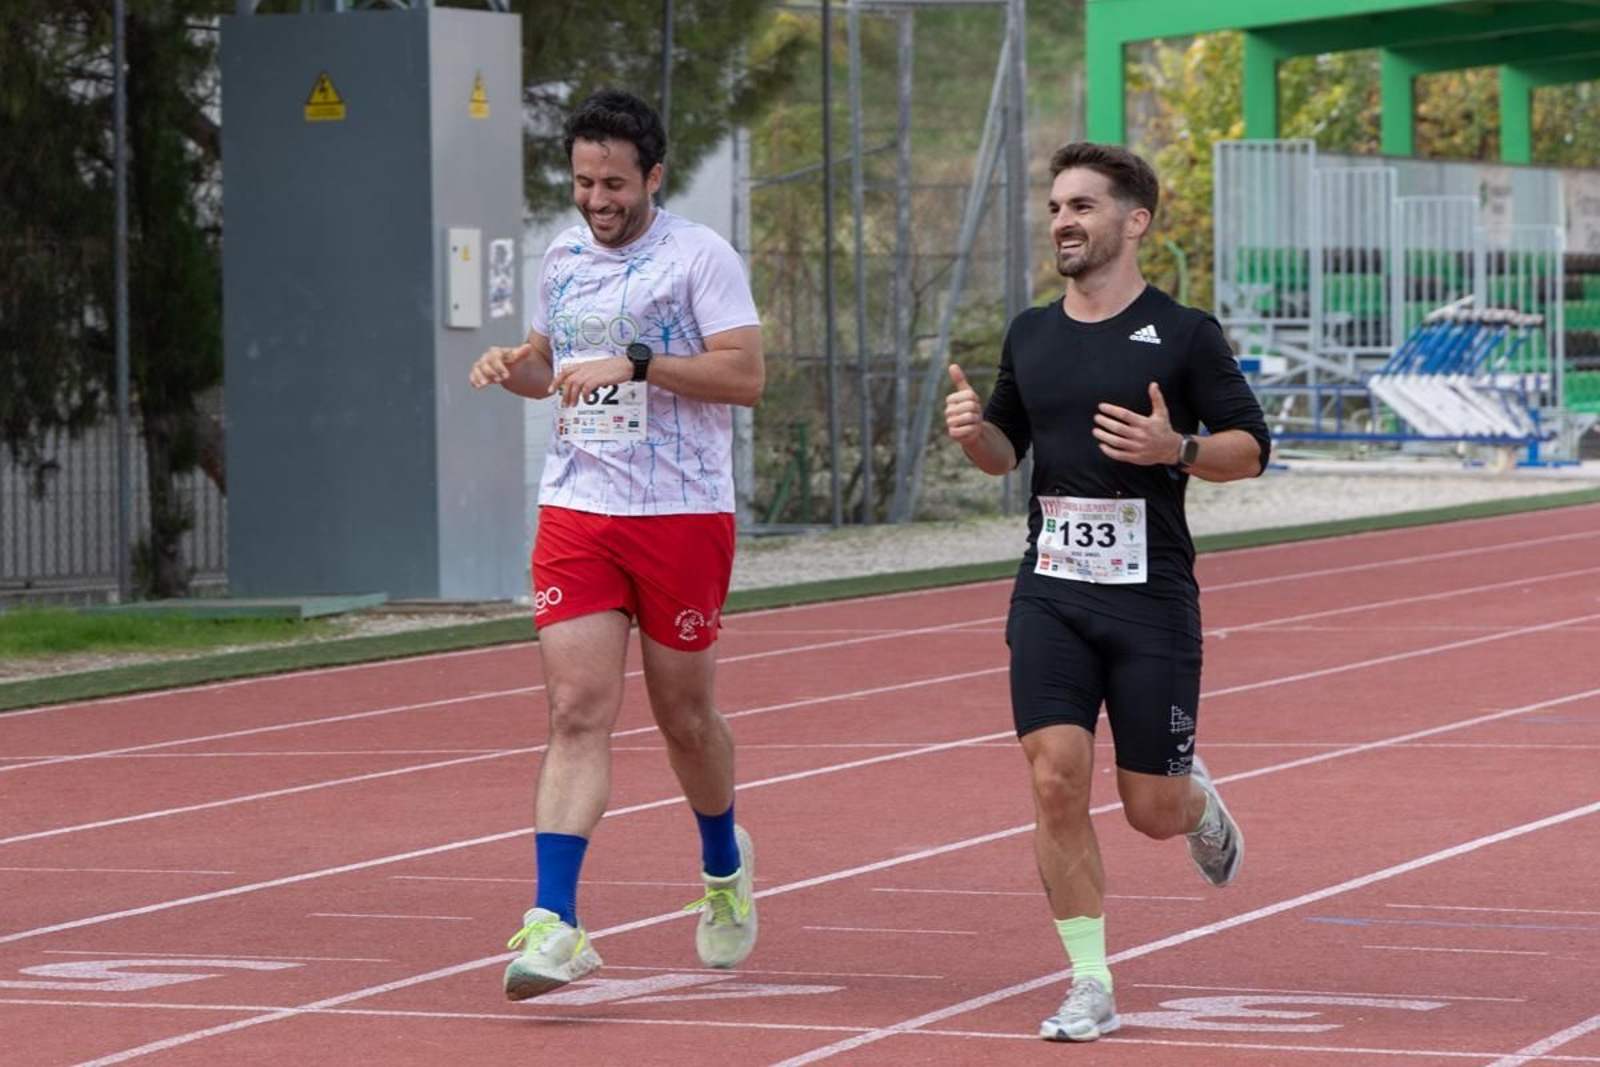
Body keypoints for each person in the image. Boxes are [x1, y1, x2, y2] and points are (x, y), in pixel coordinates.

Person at [943, 142, 1270, 1042]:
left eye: (1083, 206)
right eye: (1055, 206)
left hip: (1150, 596)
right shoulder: (1031, 333)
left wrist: (1181, 451)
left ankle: (1195, 801)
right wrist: (974, 434)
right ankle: (1090, 979)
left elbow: (1251, 446)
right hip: (1049, 588)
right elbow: (1006, 452)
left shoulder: (1185, 333)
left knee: (1149, 810)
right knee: (1055, 778)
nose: (1063, 221)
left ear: (1135, 222)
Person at [469, 87, 765, 1001]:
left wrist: (638, 361)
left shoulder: (699, 257)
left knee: (684, 719)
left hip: (681, 514)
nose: (597, 200)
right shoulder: (559, 256)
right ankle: (555, 922)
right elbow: (554, 370)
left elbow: (745, 377)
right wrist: (514, 368)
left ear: (653, 177)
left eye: (614, 184)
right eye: (584, 182)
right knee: (576, 711)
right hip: (580, 509)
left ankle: (723, 865)